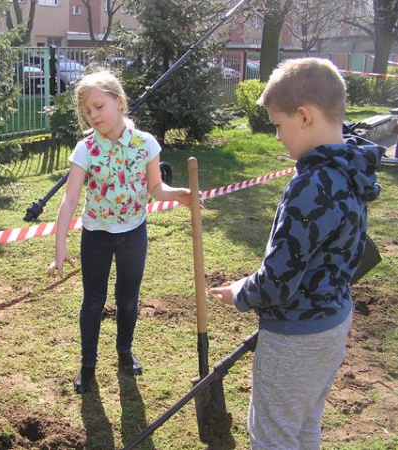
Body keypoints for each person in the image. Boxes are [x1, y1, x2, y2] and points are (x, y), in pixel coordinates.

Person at [209, 58, 384, 449]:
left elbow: (277, 284)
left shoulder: (310, 186)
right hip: (333, 323)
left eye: (277, 125)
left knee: (272, 436)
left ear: (303, 116)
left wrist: (240, 292)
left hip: (295, 338)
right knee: (304, 425)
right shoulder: (352, 170)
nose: (276, 137)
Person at [47, 70, 192, 393]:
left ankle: (125, 351)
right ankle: (88, 365)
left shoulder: (146, 144)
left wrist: (177, 193)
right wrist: (60, 246)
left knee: (127, 300)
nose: (93, 115)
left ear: (120, 102)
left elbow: (155, 188)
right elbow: (70, 199)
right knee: (93, 302)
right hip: (96, 235)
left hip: (133, 234)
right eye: (87, 111)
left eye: (98, 106)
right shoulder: (85, 148)